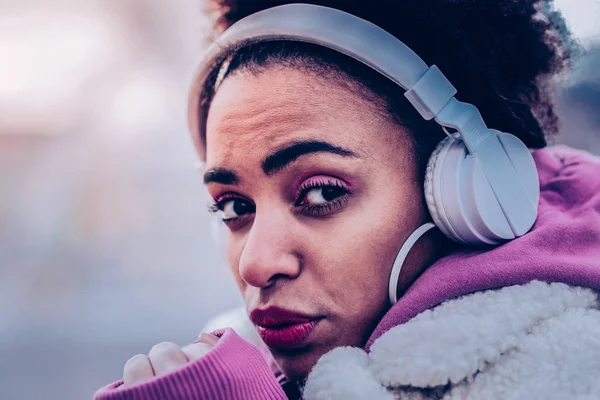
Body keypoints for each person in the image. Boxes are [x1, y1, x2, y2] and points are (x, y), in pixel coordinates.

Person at [94, 1, 600, 399]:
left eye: (320, 193)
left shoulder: (575, 368)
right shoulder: (239, 361)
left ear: (470, 194)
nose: (255, 263)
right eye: (233, 207)